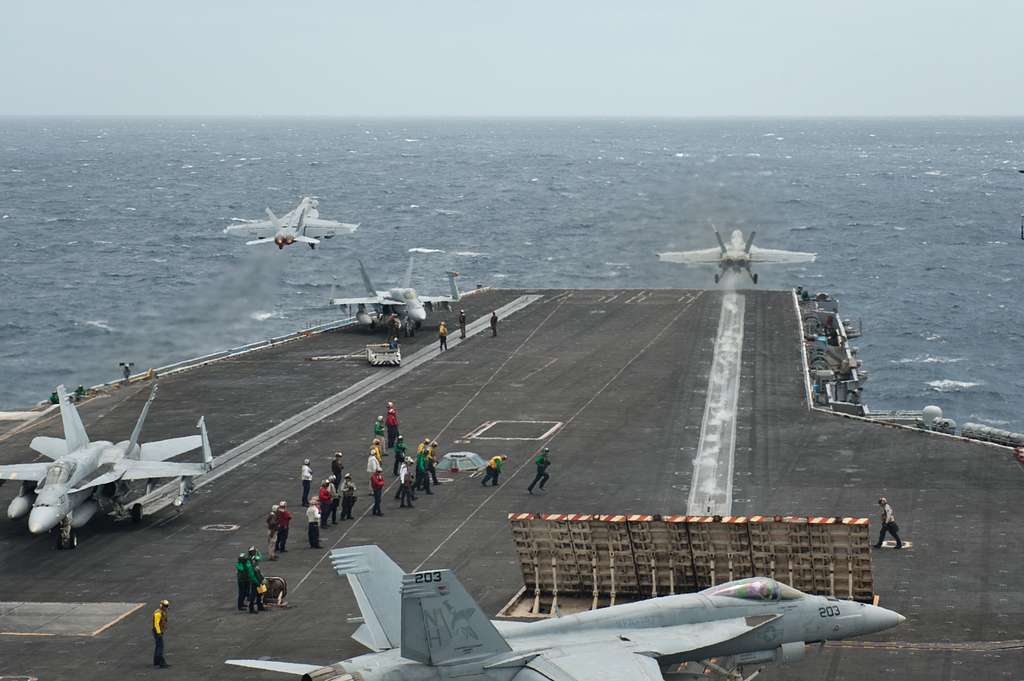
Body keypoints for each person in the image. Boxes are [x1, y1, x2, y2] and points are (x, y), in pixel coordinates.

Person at [152, 599, 170, 668]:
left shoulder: (162, 611)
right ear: (162, 605)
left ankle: (156, 661)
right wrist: (159, 633)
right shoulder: (158, 613)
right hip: (157, 632)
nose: (166, 607)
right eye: (165, 606)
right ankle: (161, 663)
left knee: (158, 646)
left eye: (167, 606)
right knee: (160, 647)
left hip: (159, 631)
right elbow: (156, 624)